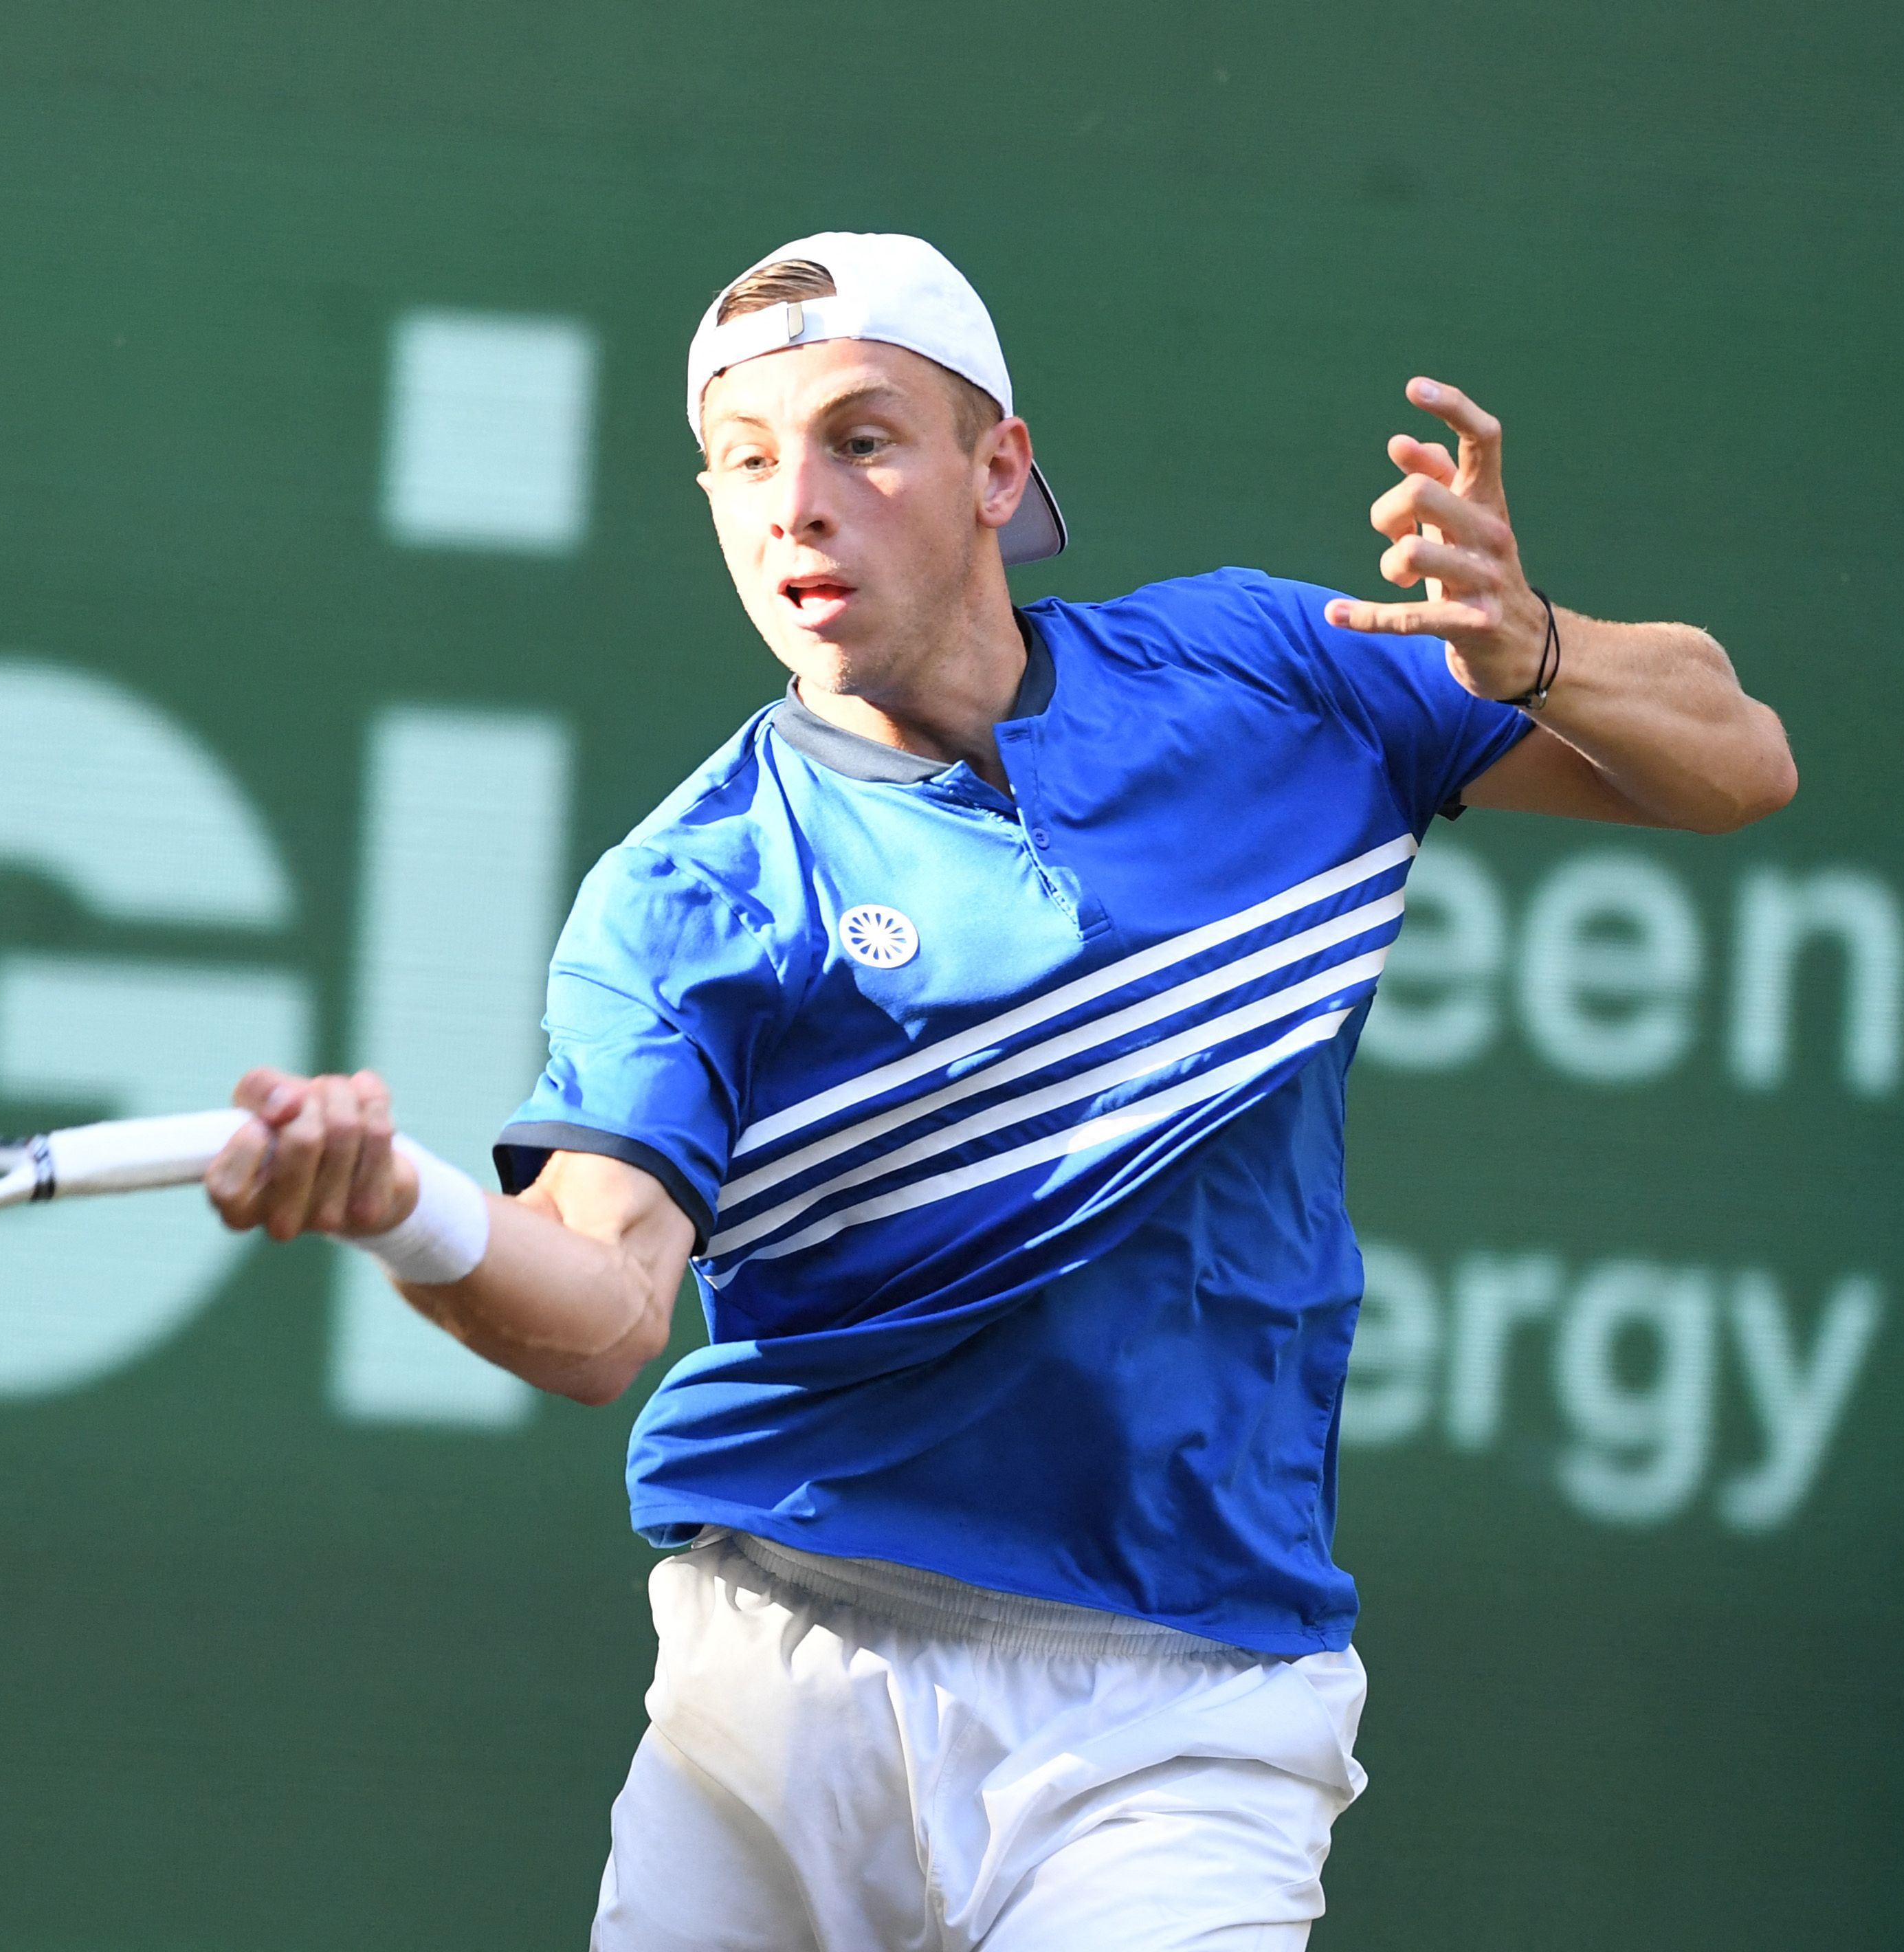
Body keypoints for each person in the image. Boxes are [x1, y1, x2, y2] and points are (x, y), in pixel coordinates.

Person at [201, 231, 1793, 1949]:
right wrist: (403, 1211)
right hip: (776, 1704)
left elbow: (1734, 763)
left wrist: (1536, 646)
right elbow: (598, 1313)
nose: (794, 507)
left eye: (859, 440)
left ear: (997, 470)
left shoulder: (1265, 674)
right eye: (744, 460)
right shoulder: (687, 891)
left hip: (1183, 1715)